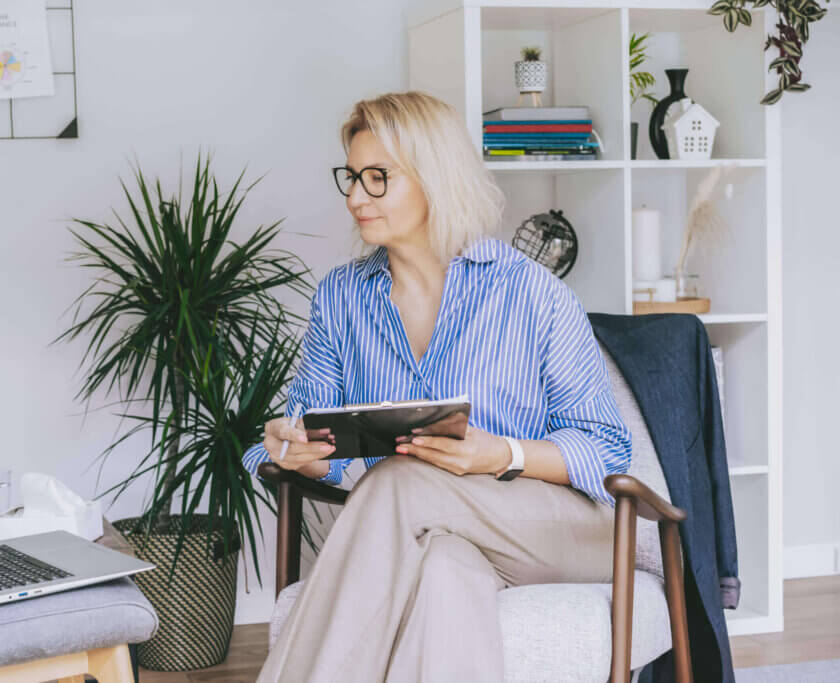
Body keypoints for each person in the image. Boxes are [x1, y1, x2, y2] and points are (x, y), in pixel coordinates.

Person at [241, 91, 632, 682]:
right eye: (351, 177)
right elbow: (310, 436)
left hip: (562, 531)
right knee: (445, 572)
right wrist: (296, 450)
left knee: (400, 479)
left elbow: (607, 452)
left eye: (378, 179)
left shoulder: (530, 293)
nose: (354, 197)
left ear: (435, 179)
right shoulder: (342, 299)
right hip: (435, 531)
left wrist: (500, 453)